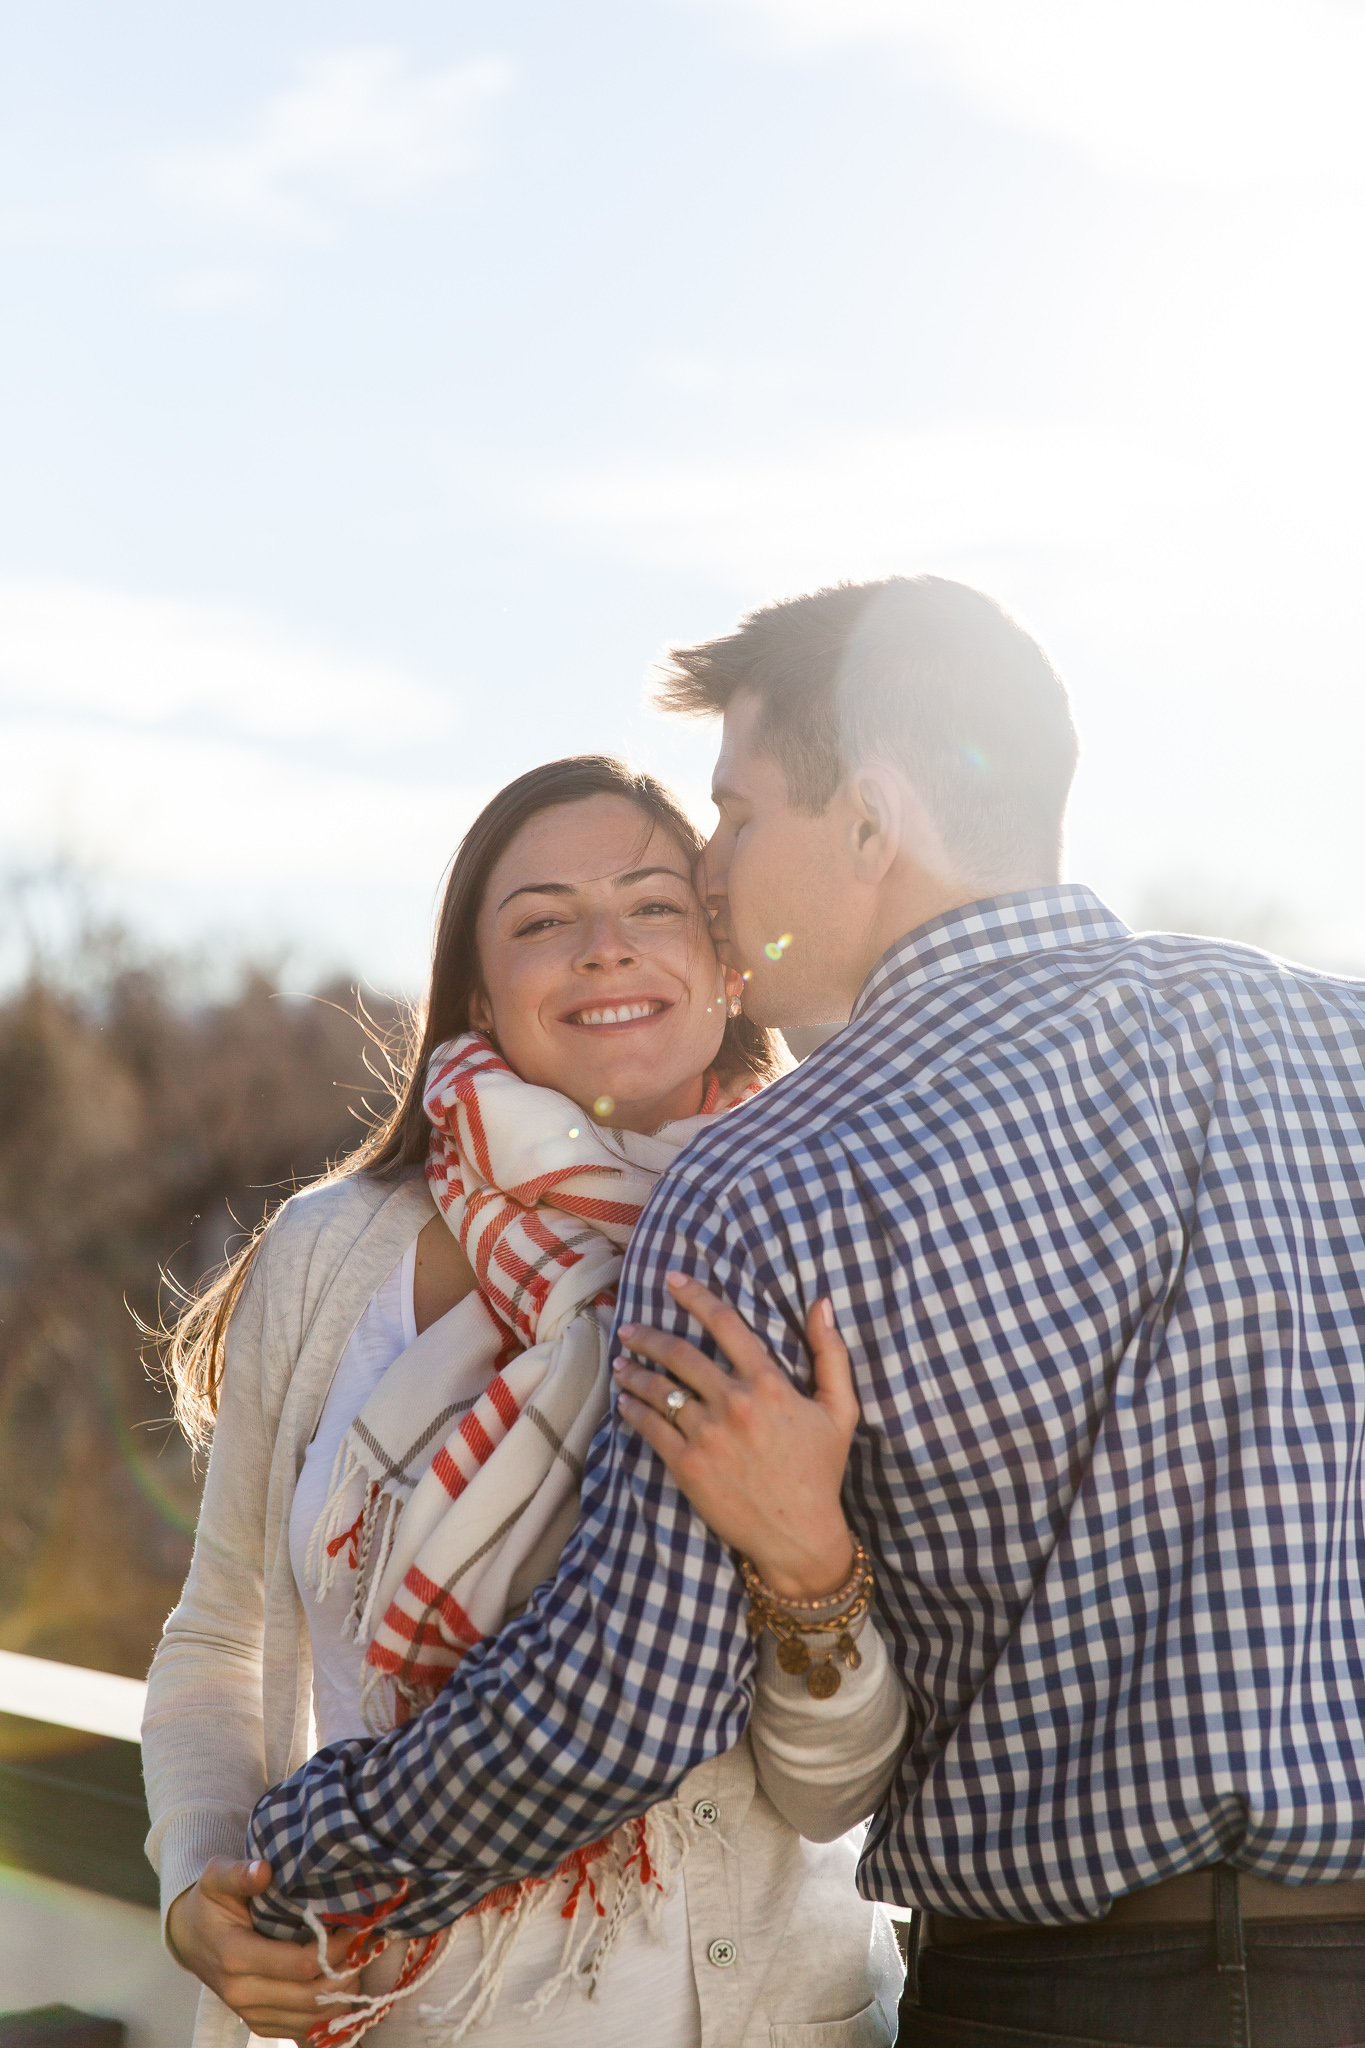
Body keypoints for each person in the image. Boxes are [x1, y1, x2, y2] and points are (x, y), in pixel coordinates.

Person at [242, 575, 1365, 2048]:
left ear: (872, 819)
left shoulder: (768, 1179)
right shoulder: (1338, 1047)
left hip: (1054, 2000)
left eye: (738, 811)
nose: (712, 866)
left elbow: (620, 1706)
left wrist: (301, 1850)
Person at [141, 754, 908, 2048]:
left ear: (729, 966)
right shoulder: (335, 1256)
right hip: (421, 2014)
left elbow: (842, 1782)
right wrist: (192, 1890)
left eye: (654, 905)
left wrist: (806, 1561)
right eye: (543, 921)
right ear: (481, 992)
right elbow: (219, 1634)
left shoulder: (839, 1245)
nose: (603, 950)